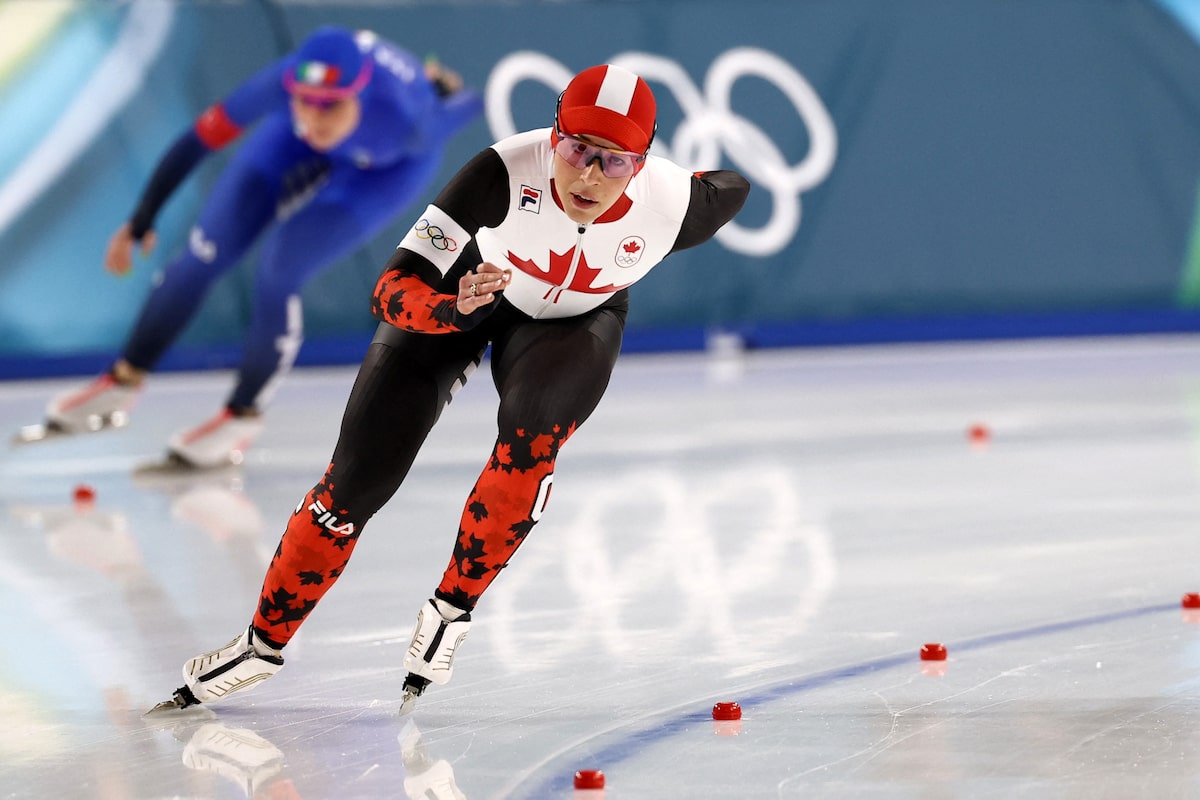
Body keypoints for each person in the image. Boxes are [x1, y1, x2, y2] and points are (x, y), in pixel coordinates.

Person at [151, 63, 750, 712]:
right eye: (578, 150)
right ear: (553, 138)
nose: (588, 175)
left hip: (576, 324)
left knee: (532, 438)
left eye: (613, 162)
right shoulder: (500, 172)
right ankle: (261, 643)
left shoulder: (678, 204)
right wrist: (451, 311)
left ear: (641, 164)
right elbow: (390, 287)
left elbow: (733, 185)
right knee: (352, 484)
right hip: (466, 297)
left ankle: (451, 608)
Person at [34, 26, 482, 469]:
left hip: (381, 172)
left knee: (280, 269)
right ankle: (123, 380)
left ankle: (241, 416)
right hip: (289, 144)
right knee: (204, 249)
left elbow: (470, 104)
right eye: (304, 101)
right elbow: (197, 141)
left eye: (329, 106)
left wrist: (441, 89)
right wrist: (142, 218)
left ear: (359, 94)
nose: (314, 117)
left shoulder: (409, 118)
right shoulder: (282, 89)